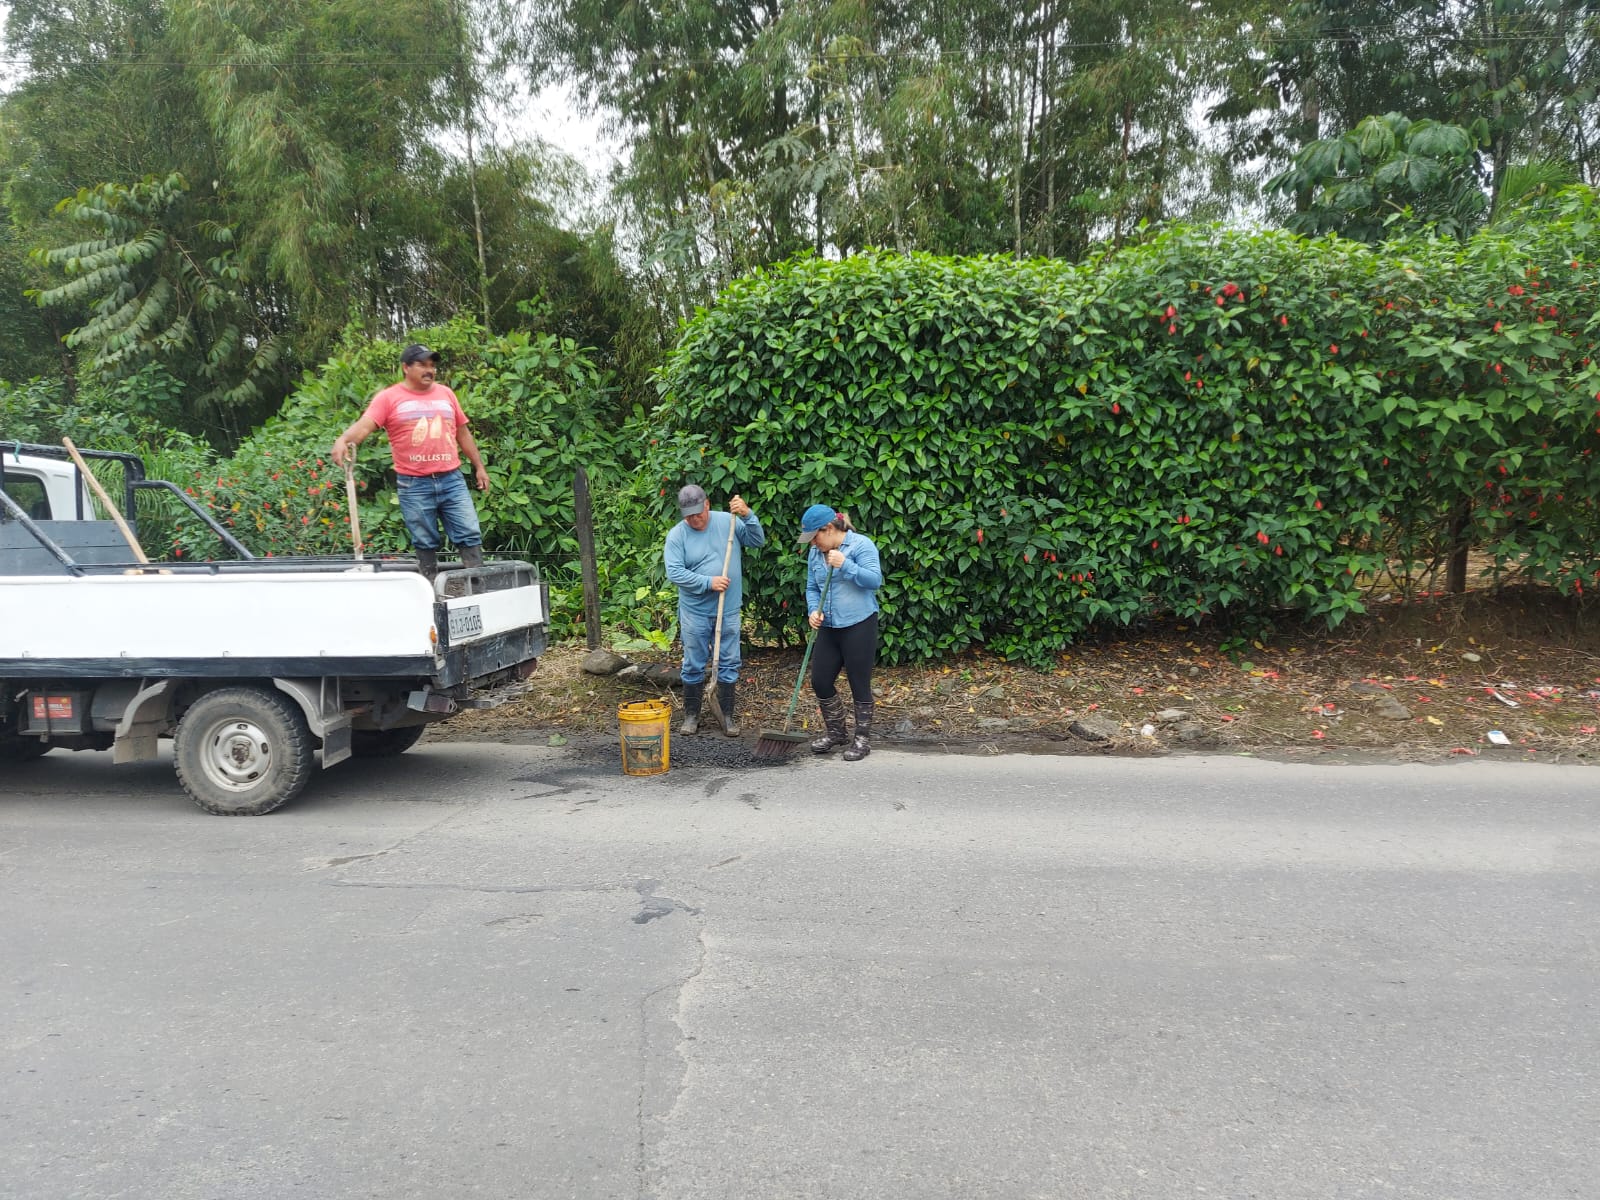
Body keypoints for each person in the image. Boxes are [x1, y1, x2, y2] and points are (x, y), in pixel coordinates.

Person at [330, 343, 489, 579]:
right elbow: (364, 426)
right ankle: (430, 589)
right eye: (422, 365)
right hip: (414, 484)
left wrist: (479, 467)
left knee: (469, 532)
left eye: (432, 365)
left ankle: (477, 586)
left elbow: (463, 433)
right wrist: (343, 440)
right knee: (424, 540)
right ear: (406, 367)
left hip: (452, 480)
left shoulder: (446, 394)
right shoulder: (389, 398)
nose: (429, 370)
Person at [664, 483, 765, 736]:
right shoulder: (677, 535)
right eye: (688, 515)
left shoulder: (727, 522)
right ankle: (691, 715)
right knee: (693, 663)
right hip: (694, 612)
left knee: (729, 662)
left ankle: (727, 715)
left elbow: (757, 540)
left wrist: (747, 515)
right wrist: (708, 583)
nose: (694, 519)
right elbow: (674, 572)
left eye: (698, 513)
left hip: (728, 609)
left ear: (707, 504)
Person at [797, 504, 883, 761]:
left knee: (859, 682)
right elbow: (812, 587)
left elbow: (874, 580)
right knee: (820, 681)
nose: (813, 543)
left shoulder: (861, 545)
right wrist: (813, 610)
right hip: (829, 626)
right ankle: (837, 733)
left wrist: (845, 565)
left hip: (859, 623)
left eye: (815, 537)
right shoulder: (816, 553)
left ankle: (862, 740)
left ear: (829, 529)